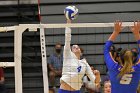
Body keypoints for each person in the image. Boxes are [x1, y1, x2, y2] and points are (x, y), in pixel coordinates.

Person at [58, 20, 96, 93]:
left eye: (77, 47)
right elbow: (67, 38)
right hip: (64, 90)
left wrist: (97, 77)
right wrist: (68, 22)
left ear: (81, 52)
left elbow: (94, 79)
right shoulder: (68, 55)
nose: (75, 47)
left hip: (76, 91)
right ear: (71, 51)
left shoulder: (84, 63)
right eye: (73, 47)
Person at [104, 21, 140, 93]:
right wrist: (136, 33)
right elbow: (106, 49)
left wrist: (116, 32)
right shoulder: (137, 69)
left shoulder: (113, 67)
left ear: (119, 58)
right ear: (133, 58)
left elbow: (106, 49)